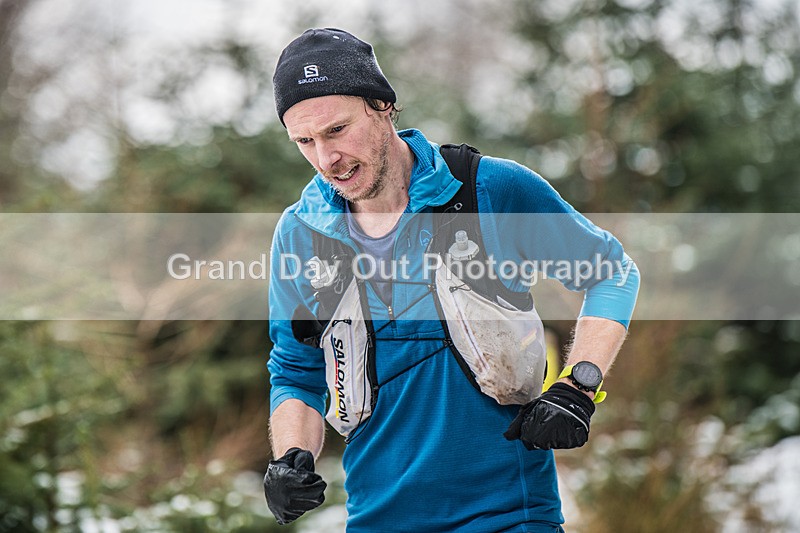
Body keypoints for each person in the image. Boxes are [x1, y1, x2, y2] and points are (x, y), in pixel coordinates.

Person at [264, 28, 640, 532]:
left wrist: (578, 386)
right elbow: (296, 371)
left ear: (382, 105)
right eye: (304, 141)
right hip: (376, 518)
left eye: (336, 130)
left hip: (509, 515)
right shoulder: (301, 233)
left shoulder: (489, 190)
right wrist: (289, 459)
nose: (325, 159)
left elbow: (612, 271)